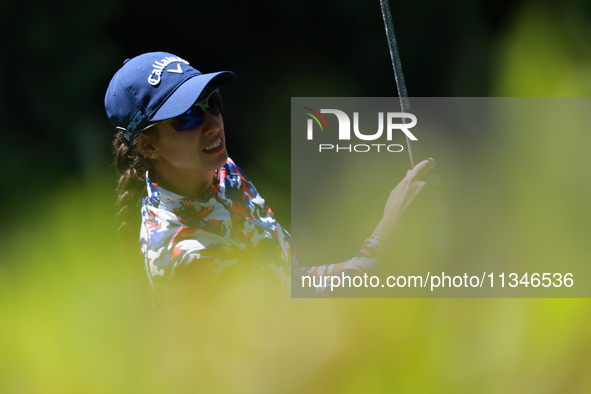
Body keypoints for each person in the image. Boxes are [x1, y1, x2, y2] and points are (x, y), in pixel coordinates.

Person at [105, 52, 448, 306]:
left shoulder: (220, 172)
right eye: (188, 117)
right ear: (149, 145)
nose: (212, 124)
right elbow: (294, 317)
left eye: (212, 103)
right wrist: (387, 237)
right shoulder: (185, 255)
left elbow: (288, 281)